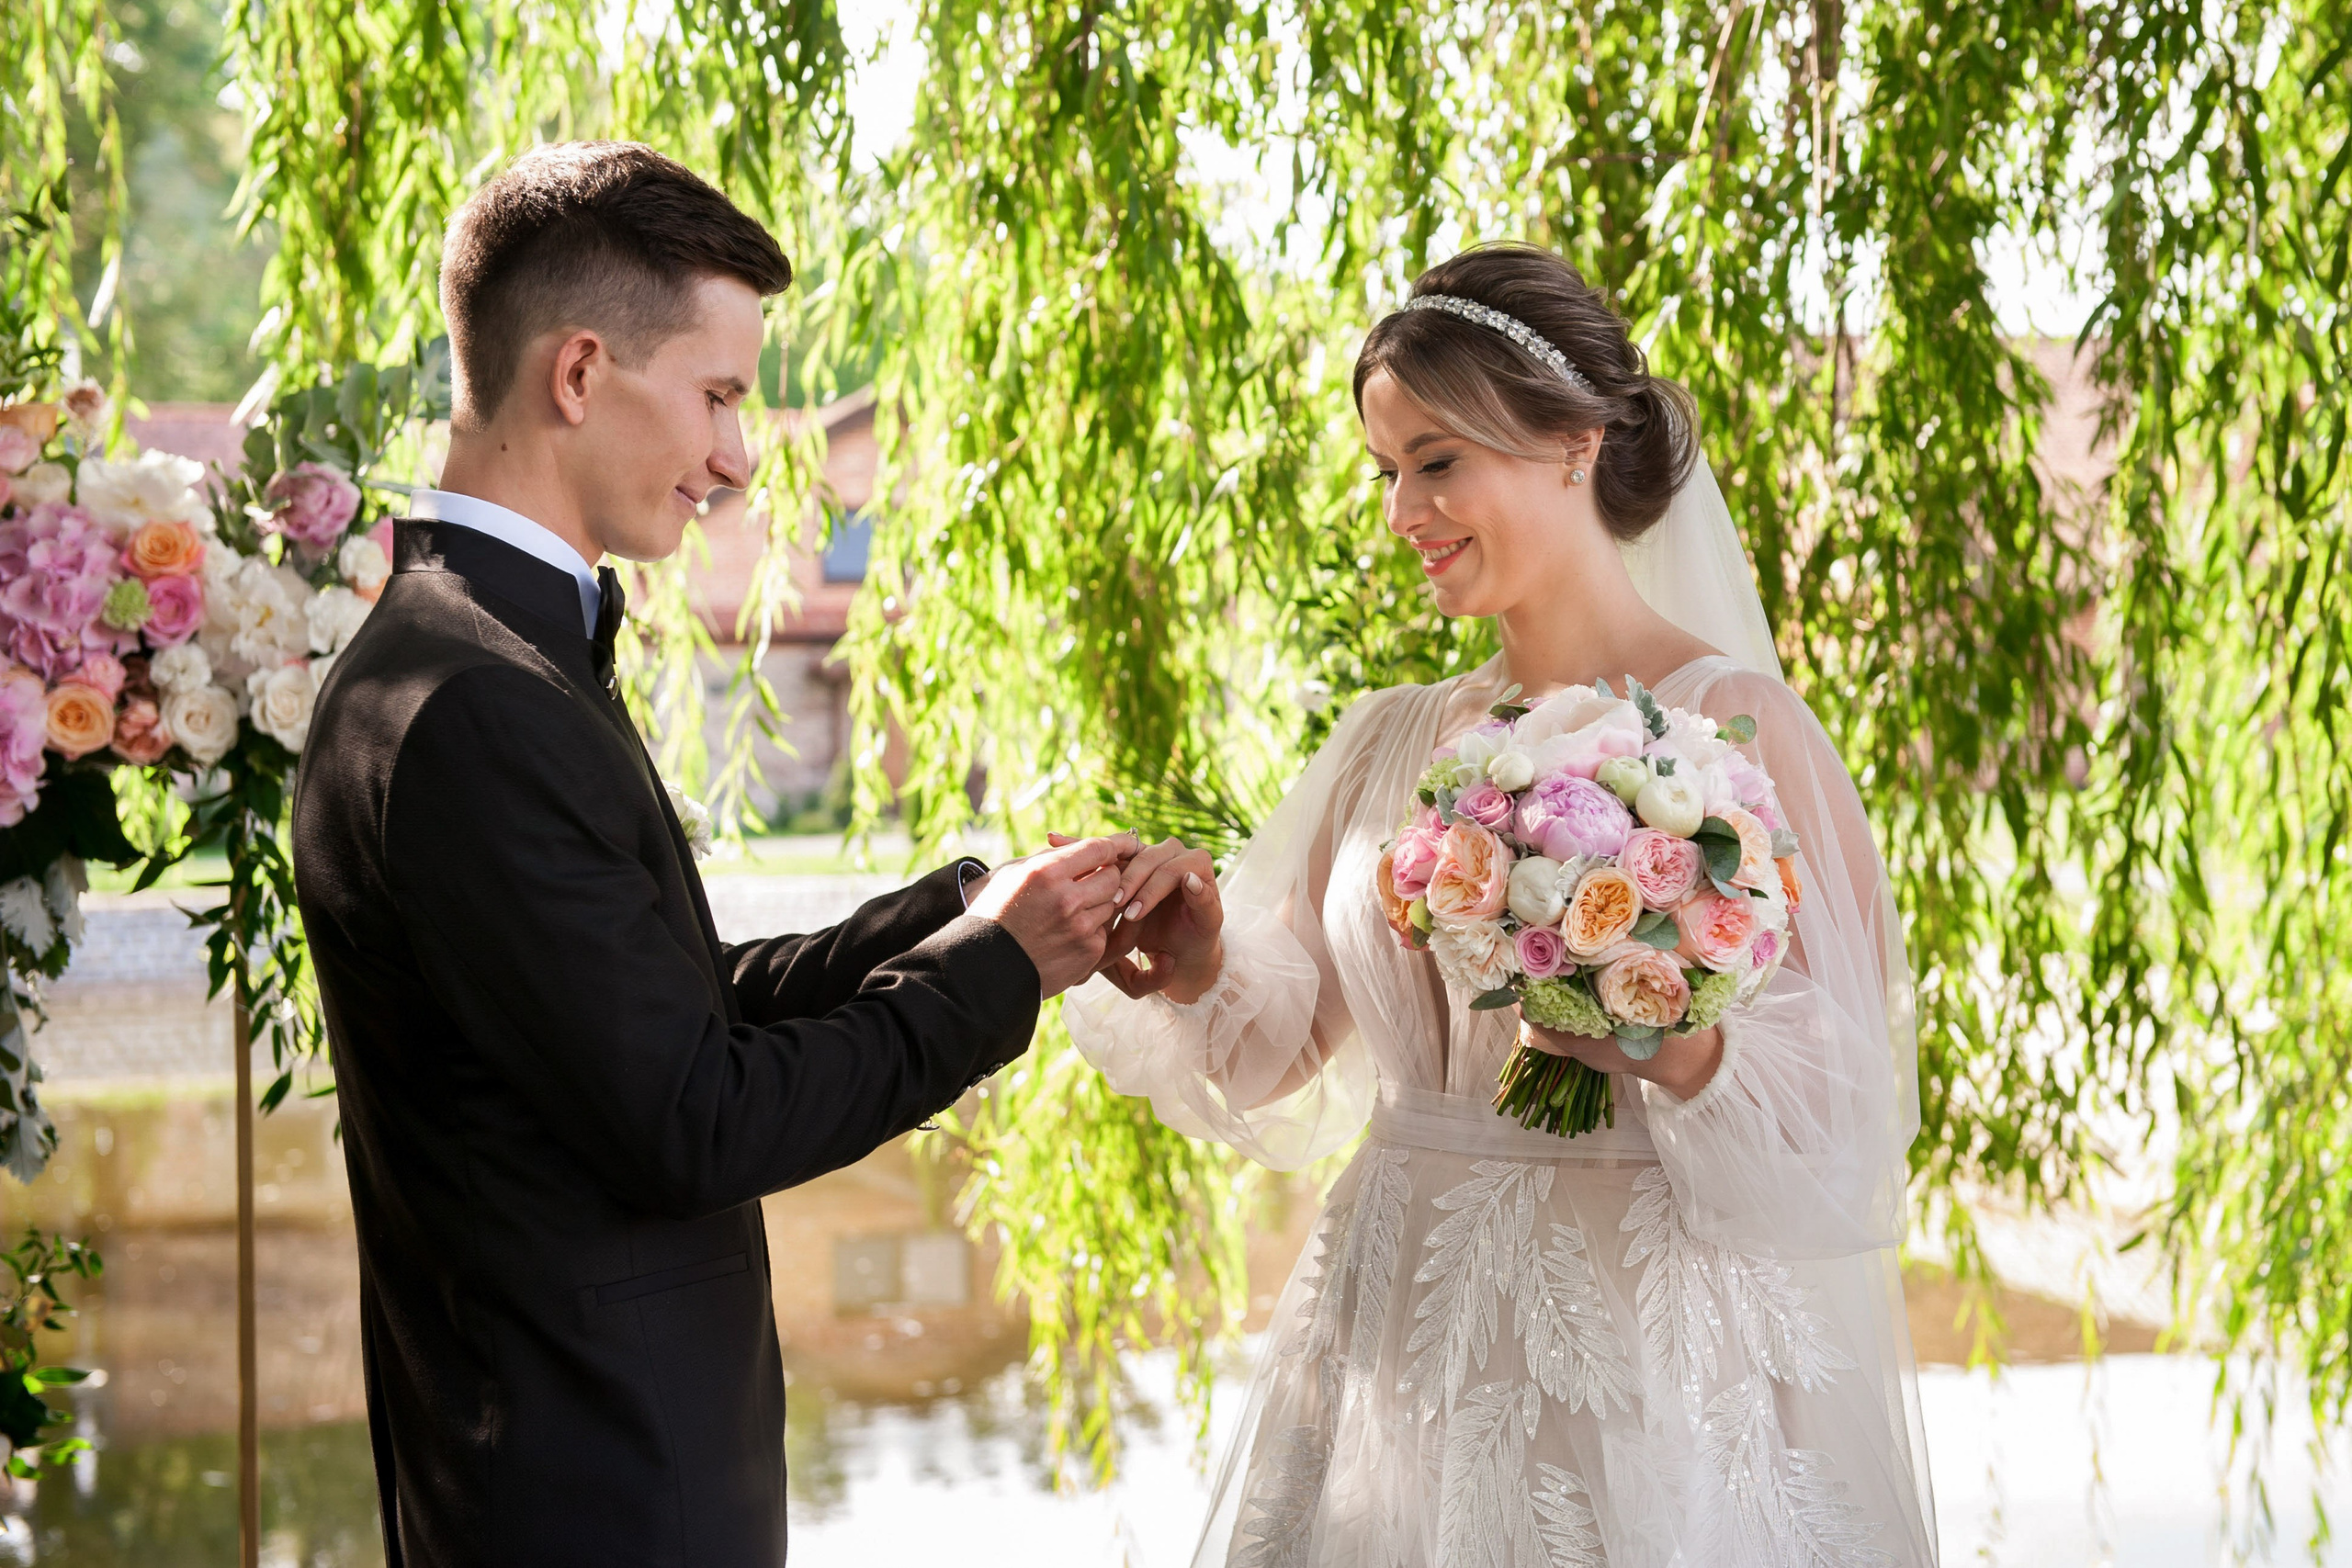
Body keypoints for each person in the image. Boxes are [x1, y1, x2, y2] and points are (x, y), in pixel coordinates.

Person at [291, 141, 1133, 1568]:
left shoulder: (472, 656)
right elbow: (699, 1118)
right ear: (578, 373)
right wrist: (998, 976)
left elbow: (661, 1011)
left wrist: (963, 912)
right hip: (594, 1497)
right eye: (721, 397)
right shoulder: (475, 699)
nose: (740, 459)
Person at [1074, 244, 1937, 1565]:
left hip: (1645, 1354)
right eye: (1385, 470)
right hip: (1393, 1336)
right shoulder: (1386, 741)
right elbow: (1273, 1058)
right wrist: (1199, 967)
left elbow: (1846, 1108)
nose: (1401, 511)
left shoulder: (1736, 727)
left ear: (1576, 443)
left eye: (1435, 461)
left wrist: (1672, 1040)